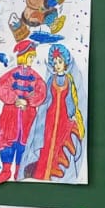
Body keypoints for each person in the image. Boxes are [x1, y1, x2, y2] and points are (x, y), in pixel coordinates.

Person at [0, 40, 47, 183]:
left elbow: (41, 92)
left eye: (33, 57)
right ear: (23, 57)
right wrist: (15, 99)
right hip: (10, 115)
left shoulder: (36, 77)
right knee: (7, 144)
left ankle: (19, 170)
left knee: (23, 144)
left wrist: (28, 101)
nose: (32, 60)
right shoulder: (11, 74)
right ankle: (5, 171)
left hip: (28, 116)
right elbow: (1, 88)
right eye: (30, 57)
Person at [26, 44, 83, 181]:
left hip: (63, 117)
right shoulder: (51, 79)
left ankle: (55, 172)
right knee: (47, 145)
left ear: (65, 63)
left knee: (59, 144)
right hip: (50, 117)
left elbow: (70, 99)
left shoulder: (69, 80)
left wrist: (71, 114)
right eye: (55, 62)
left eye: (60, 62)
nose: (57, 65)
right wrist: (33, 97)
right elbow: (45, 97)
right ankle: (42, 173)